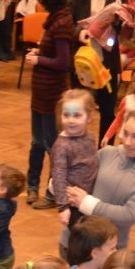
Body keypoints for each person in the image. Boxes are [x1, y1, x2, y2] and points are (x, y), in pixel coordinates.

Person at [61, 108, 135, 249]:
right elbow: (76, 179)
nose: (127, 142)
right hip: (73, 241)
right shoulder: (107, 153)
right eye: (125, 134)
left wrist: (86, 203)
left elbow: (128, 215)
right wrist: (61, 186)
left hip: (108, 249)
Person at [24, 0, 74, 210]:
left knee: (52, 147)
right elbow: (52, 53)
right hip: (40, 93)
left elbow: (63, 62)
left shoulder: (62, 23)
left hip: (51, 95)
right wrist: (39, 53)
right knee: (37, 143)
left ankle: (52, 193)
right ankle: (32, 186)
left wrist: (39, 60)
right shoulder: (54, 19)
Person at [50, 90, 99, 228]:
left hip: (90, 198)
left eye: (77, 115)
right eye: (66, 115)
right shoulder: (62, 146)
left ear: (89, 117)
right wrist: (63, 207)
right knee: (82, 236)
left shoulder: (90, 137)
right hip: (73, 203)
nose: (71, 120)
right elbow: (58, 177)